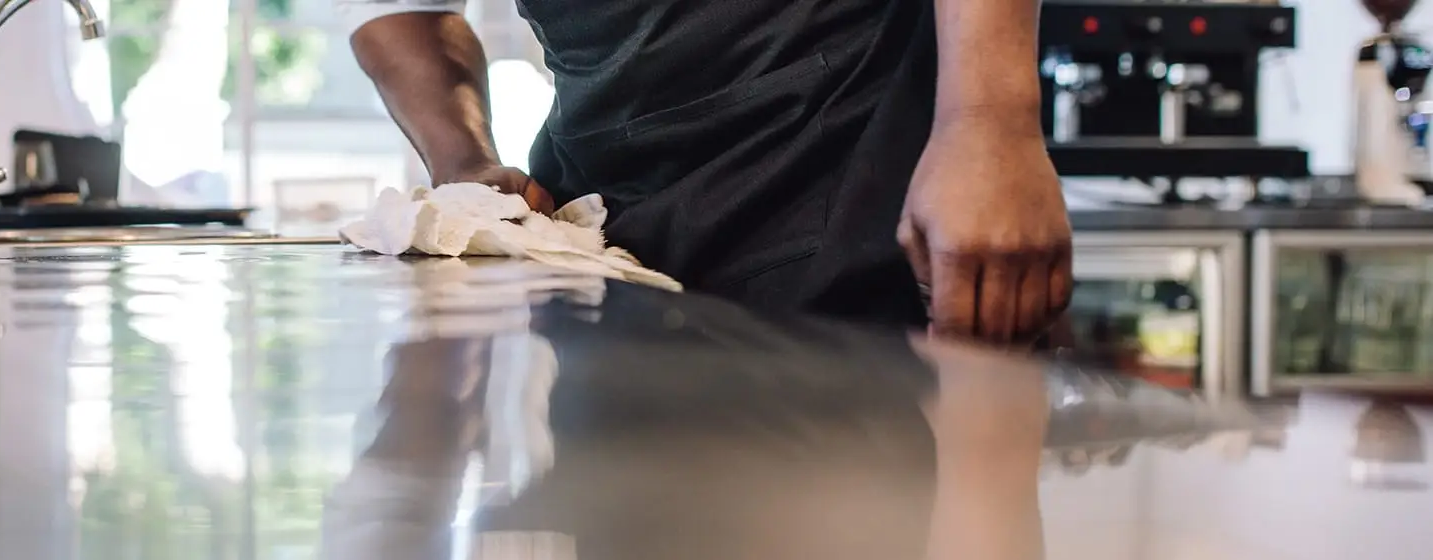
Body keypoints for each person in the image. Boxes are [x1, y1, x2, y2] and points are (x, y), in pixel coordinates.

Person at [340, 0, 1074, 344]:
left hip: (845, 151)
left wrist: (989, 117)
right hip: (605, 218)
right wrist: (466, 164)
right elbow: (402, 11)